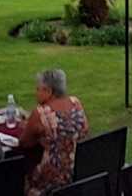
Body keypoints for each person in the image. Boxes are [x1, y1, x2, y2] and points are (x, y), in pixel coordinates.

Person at [21, 68, 87, 196]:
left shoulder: (40, 113)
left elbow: (24, 143)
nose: (36, 93)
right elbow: (85, 129)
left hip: (50, 180)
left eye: (38, 89)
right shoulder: (76, 103)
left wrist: (28, 127)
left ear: (49, 91)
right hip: (77, 172)